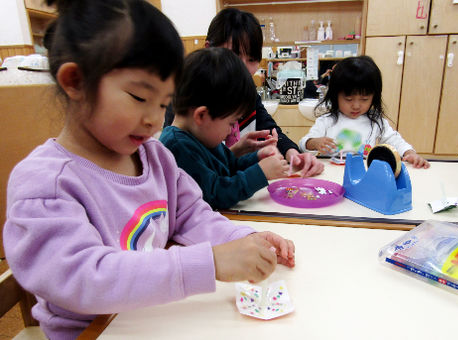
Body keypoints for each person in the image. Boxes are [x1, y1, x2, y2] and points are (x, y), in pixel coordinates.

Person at [2, 1, 295, 339]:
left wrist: (242, 239)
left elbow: (192, 214)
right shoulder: (45, 184)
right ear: (76, 82)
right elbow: (85, 278)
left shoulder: (154, 156)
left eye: (162, 103)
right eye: (140, 98)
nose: (155, 120)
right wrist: (211, 262)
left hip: (153, 316)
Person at [165, 8, 324, 177]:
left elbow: (269, 128)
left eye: (252, 59)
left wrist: (293, 154)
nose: (243, 67)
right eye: (234, 55)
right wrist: (257, 173)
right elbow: (206, 177)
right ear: (209, 49)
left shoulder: (243, 92)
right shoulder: (188, 98)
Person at [160, 48, 289, 210]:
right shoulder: (177, 147)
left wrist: (257, 158)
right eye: (230, 123)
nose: (231, 131)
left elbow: (229, 165)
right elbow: (215, 194)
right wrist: (260, 173)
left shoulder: (201, 134)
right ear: (201, 116)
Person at [299, 56, 430, 169]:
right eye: (348, 99)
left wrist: (409, 153)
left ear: (374, 97)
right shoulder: (328, 120)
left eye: (364, 99)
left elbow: (394, 139)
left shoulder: (376, 121)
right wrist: (314, 142)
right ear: (335, 96)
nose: (356, 106)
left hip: (364, 172)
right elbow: (304, 143)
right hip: (332, 172)